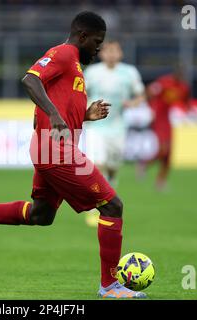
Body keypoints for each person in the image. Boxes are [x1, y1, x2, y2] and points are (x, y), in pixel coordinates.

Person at [0, 11, 146, 299]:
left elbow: (57, 110)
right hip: (56, 150)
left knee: (41, 215)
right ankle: (110, 286)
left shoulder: (74, 67)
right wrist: (53, 114)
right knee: (112, 206)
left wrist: (84, 116)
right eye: (97, 42)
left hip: (49, 147)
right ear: (82, 37)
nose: (98, 49)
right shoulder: (64, 53)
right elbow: (29, 80)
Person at [83, 40, 145, 227]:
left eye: (114, 51)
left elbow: (141, 94)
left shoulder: (129, 72)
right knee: (98, 164)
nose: (111, 54)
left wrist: (133, 103)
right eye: (107, 51)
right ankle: (95, 208)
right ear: (101, 54)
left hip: (118, 127)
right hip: (96, 127)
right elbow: (81, 93)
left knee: (113, 167)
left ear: (120, 54)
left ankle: (111, 180)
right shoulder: (92, 73)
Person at [137, 64, 191, 191]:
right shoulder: (164, 82)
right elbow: (149, 91)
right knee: (164, 150)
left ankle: (160, 181)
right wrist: (150, 108)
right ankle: (144, 164)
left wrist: (189, 113)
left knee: (169, 153)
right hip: (159, 118)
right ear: (175, 75)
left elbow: (186, 102)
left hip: (167, 120)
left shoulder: (183, 88)